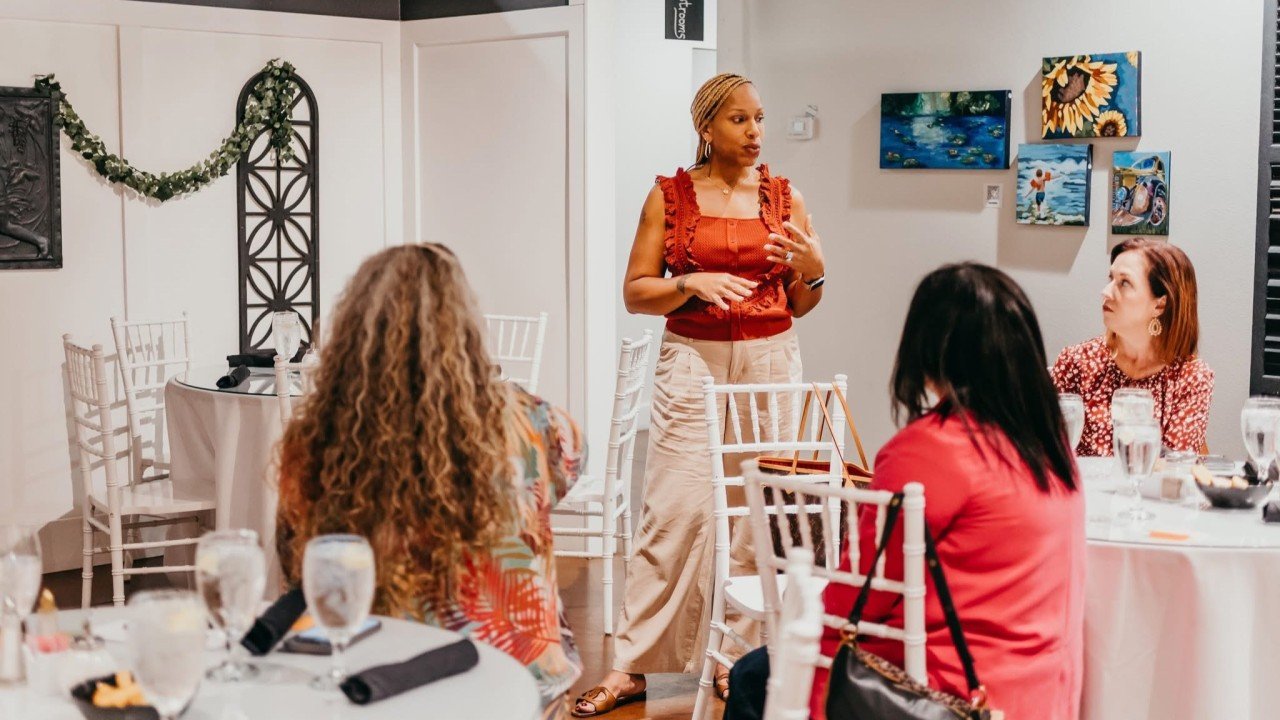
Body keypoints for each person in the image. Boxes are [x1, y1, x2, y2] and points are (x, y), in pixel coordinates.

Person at [573, 72, 827, 717]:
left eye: (760, 119)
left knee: (757, 511)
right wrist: (690, 282)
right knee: (675, 509)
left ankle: (739, 661)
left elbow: (804, 300)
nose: (755, 133)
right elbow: (635, 292)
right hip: (693, 358)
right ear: (707, 127)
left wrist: (813, 269)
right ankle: (638, 668)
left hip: (772, 358)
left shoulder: (785, 196)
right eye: (740, 120)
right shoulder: (670, 196)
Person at [728, 263, 1085, 720]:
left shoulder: (933, 449)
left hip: (944, 695)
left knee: (751, 676)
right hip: (1043, 693)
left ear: (931, 351)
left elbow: (857, 594)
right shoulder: (1051, 447)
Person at [274, 244, 584, 720]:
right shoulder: (535, 422)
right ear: (465, 328)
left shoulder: (318, 439)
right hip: (524, 687)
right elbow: (568, 471)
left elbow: (295, 556)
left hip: (388, 687)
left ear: (356, 333)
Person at [1052, 237, 1213, 456]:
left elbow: (1174, 470)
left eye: (1124, 283)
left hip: (1152, 491)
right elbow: (1041, 446)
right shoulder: (1077, 362)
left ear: (1160, 304)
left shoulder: (1190, 377)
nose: (1106, 292)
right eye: (1111, 278)